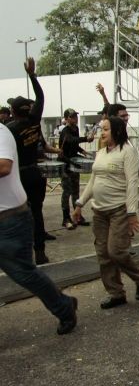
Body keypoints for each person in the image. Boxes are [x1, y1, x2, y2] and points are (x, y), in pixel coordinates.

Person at [0, 122, 78, 334]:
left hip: (9, 220)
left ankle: (64, 307)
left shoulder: (1, 132)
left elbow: (4, 167)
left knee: (23, 273)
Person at [73, 116, 139, 309]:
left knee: (116, 251)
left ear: (116, 130)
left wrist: (132, 213)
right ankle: (115, 293)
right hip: (98, 212)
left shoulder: (127, 152)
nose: (101, 133)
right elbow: (93, 181)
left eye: (105, 129)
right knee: (103, 255)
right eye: (101, 129)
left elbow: (133, 183)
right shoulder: (100, 153)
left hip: (119, 211)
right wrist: (80, 203)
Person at [6, 58, 49, 264]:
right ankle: (40, 250)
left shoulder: (10, 130)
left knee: (20, 214)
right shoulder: (35, 121)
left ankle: (22, 253)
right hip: (36, 173)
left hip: (19, 175)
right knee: (37, 212)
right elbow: (40, 97)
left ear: (13, 112)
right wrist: (32, 75)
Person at [58, 108, 95, 229]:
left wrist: (84, 152)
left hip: (75, 163)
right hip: (66, 164)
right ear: (67, 119)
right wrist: (85, 139)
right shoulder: (65, 131)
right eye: (72, 116)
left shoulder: (76, 129)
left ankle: (77, 215)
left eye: (75, 116)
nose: (75, 118)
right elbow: (70, 140)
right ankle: (66, 218)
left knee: (75, 191)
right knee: (66, 191)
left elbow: (74, 144)